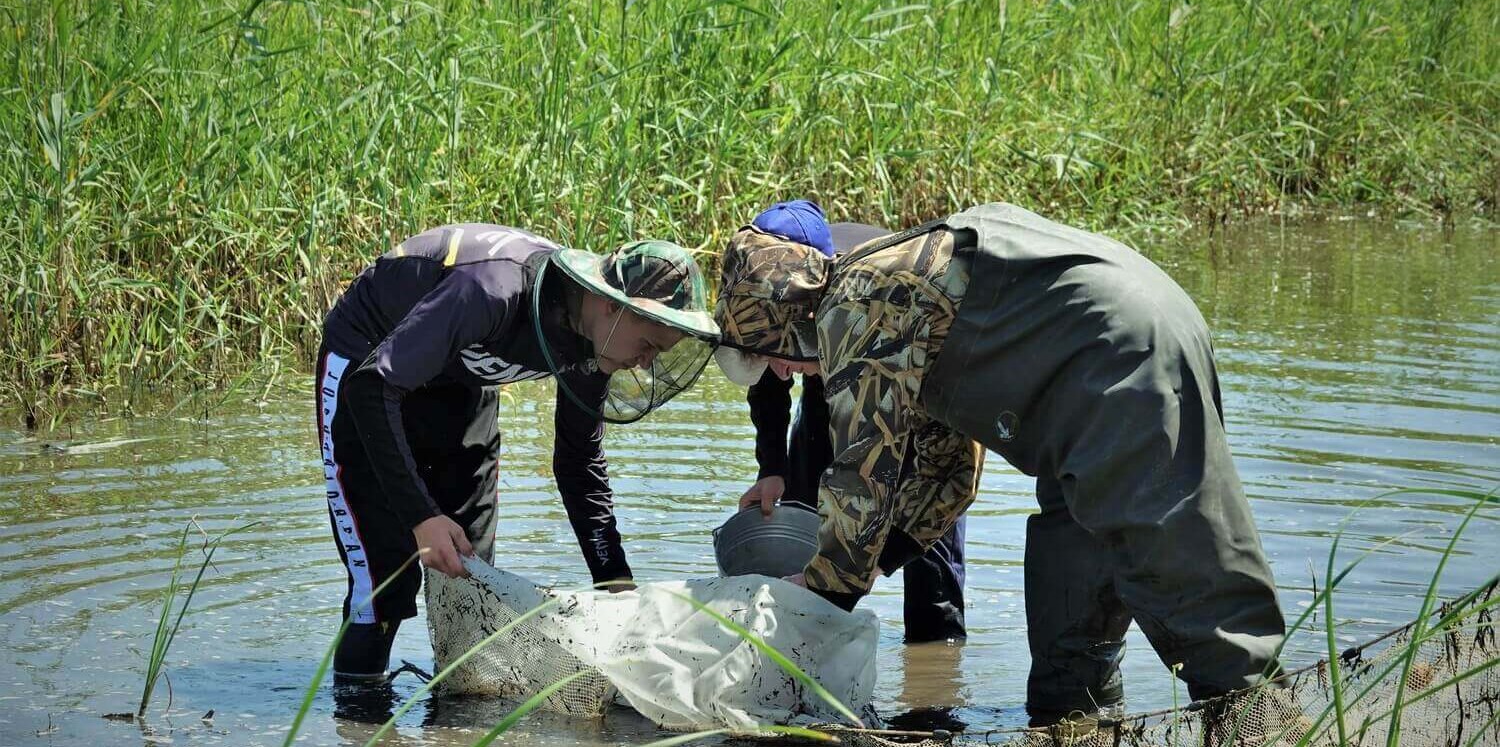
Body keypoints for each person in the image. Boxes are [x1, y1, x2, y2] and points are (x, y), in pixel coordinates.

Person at [713, 202, 1286, 726]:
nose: (781, 375)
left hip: (1123, 358)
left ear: (787, 316)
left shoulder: (858, 304)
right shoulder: (896, 320)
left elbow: (860, 479)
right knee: (1071, 644)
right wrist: (870, 567)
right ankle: (1079, 727)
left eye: (771, 355)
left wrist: (817, 597)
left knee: (1194, 600)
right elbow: (948, 477)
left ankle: (1267, 733)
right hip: (1077, 409)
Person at [317, 224, 717, 686]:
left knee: (470, 574)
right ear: (612, 304)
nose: (645, 362)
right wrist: (421, 516)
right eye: (648, 345)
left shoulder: (598, 341)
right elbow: (373, 387)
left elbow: (578, 462)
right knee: (383, 583)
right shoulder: (491, 291)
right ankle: (358, 718)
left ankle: (453, 728)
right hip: (367, 365)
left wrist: (615, 585)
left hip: (459, 380)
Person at [734, 200, 968, 643]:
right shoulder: (764, 280)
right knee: (810, 543)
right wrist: (772, 469)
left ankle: (933, 684)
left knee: (929, 541)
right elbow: (766, 374)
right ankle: (799, 649)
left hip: (915, 388)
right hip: (823, 393)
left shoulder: (865, 288)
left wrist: (882, 557)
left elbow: (950, 469)